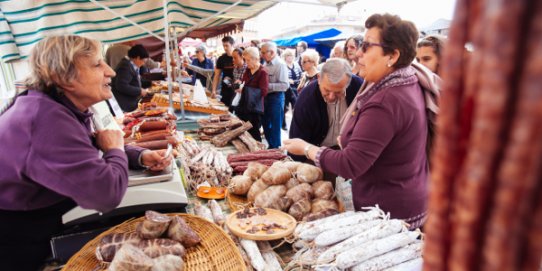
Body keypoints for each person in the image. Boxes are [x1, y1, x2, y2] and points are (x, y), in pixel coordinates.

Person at [0, 35, 172, 271]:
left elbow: (88, 147)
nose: (110, 71)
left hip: (43, 218)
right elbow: (106, 194)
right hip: (18, 239)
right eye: (97, 64)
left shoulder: (56, 106)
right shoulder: (45, 119)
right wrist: (115, 149)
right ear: (64, 77)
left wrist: (137, 155)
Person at [283, 14, 431, 229]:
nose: (358, 53)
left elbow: (350, 164)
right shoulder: (405, 80)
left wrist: (306, 148)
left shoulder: (386, 100)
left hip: (390, 213)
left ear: (393, 55)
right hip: (404, 196)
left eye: (368, 46)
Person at [289, 58, 363, 161]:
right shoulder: (306, 98)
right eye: (327, 90)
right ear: (319, 78)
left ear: (348, 83)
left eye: (338, 92)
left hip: (350, 151)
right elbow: (297, 139)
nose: (331, 97)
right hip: (315, 153)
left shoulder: (359, 87)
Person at [236, 47, 268, 142]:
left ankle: (258, 152)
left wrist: (245, 89)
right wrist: (239, 84)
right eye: (245, 60)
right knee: (243, 131)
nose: (246, 62)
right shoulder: (248, 70)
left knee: (254, 132)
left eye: (248, 60)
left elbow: (264, 91)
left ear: (255, 58)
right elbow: (244, 82)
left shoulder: (263, 72)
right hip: (244, 105)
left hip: (254, 108)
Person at [261, 42, 289, 149]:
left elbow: (284, 85)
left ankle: (275, 148)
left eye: (263, 52)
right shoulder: (265, 64)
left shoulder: (280, 64)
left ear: (272, 52)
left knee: (275, 126)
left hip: (276, 98)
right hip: (266, 98)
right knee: (265, 123)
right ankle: (271, 146)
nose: (261, 54)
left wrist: (267, 86)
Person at [111, 44, 149, 112]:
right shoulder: (125, 66)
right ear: (137, 58)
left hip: (130, 101)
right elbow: (121, 86)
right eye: (143, 61)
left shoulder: (130, 65)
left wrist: (150, 83)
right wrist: (139, 91)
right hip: (125, 104)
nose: (143, 64)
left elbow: (135, 81)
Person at [212, 36, 235, 108]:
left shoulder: (238, 56)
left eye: (227, 46)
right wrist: (213, 90)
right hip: (225, 88)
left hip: (236, 89)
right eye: (223, 46)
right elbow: (217, 75)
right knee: (224, 109)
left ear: (232, 45)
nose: (225, 48)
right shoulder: (221, 59)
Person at [281, 48, 302, 130]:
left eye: (291, 55)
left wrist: (295, 81)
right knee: (284, 107)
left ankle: (296, 124)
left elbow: (300, 75)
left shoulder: (296, 65)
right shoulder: (283, 65)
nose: (290, 57)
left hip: (296, 88)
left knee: (296, 106)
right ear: (285, 57)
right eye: (288, 55)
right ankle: (283, 124)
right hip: (286, 89)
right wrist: (288, 81)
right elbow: (283, 78)